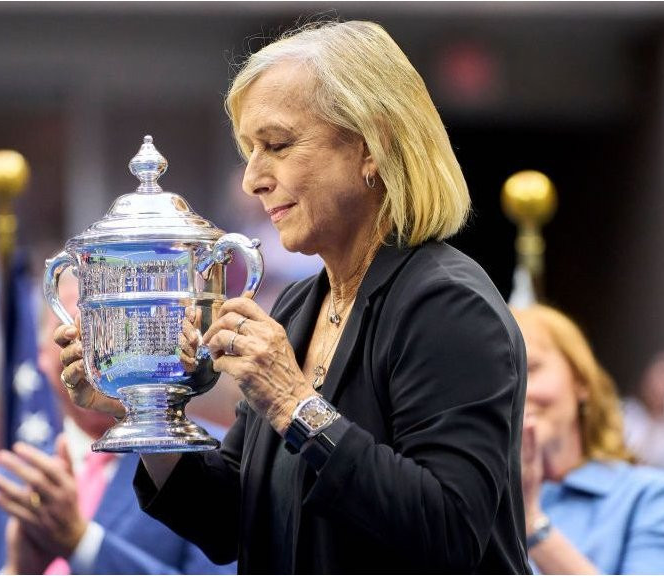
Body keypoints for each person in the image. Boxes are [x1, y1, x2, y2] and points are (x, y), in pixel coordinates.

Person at [55, 20, 530, 573]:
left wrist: (293, 404)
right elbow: (228, 522)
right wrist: (143, 407)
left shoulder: (447, 304)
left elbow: (449, 531)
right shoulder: (299, 306)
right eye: (250, 151)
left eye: (277, 146)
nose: (252, 179)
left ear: (371, 146)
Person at [0, 273, 232, 575]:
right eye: (73, 327)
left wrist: (81, 544)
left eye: (115, 325)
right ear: (42, 355)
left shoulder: (217, 461)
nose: (97, 346)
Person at [512, 304, 664, 574]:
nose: (514, 389)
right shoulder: (477, 500)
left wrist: (531, 523)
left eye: (531, 368)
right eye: (500, 376)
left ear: (581, 381)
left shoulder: (649, 497)